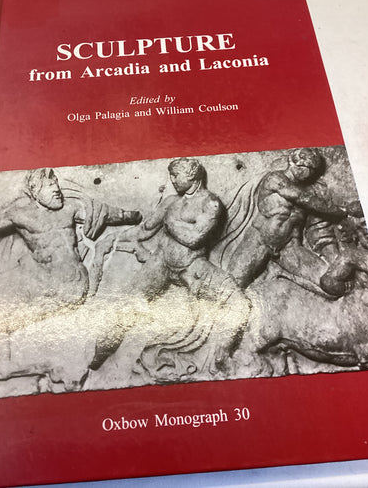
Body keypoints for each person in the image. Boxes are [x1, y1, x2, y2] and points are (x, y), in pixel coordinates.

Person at [105, 157, 252, 379]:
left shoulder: (210, 204)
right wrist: (114, 239)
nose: (172, 180)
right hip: (160, 262)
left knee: (239, 303)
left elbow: (194, 238)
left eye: (176, 175)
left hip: (192, 267)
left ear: (191, 175)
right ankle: (100, 352)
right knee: (127, 302)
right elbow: (145, 229)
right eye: (171, 175)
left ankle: (221, 356)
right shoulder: (170, 202)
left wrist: (171, 221)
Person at [0, 167, 141, 347]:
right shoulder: (20, 214)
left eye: (57, 184)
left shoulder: (69, 208)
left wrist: (127, 215)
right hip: (41, 277)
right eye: (50, 186)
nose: (57, 189)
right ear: (35, 191)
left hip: (70, 283)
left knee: (5, 314)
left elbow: (102, 212)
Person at [228, 148, 348, 290]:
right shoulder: (275, 178)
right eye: (305, 167)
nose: (308, 172)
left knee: (331, 282)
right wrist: (343, 211)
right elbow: (302, 198)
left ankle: (283, 275)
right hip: (260, 240)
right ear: (292, 162)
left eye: (312, 169)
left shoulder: (313, 192)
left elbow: (317, 226)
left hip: (290, 248)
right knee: (232, 285)